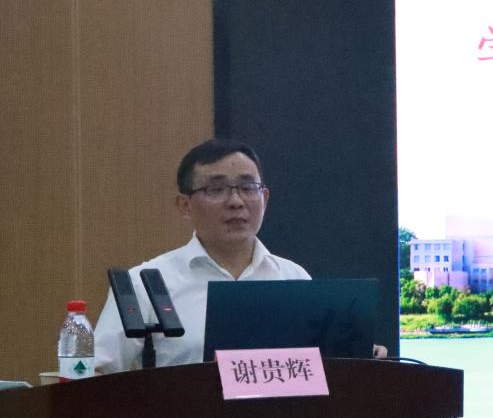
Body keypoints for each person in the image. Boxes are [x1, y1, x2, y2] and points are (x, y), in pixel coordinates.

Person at [95, 138, 384, 372]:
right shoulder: (145, 283)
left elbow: (319, 372)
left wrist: (357, 358)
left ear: (264, 198)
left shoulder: (294, 278)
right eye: (216, 189)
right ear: (185, 205)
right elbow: (96, 374)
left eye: (248, 188)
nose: (235, 201)